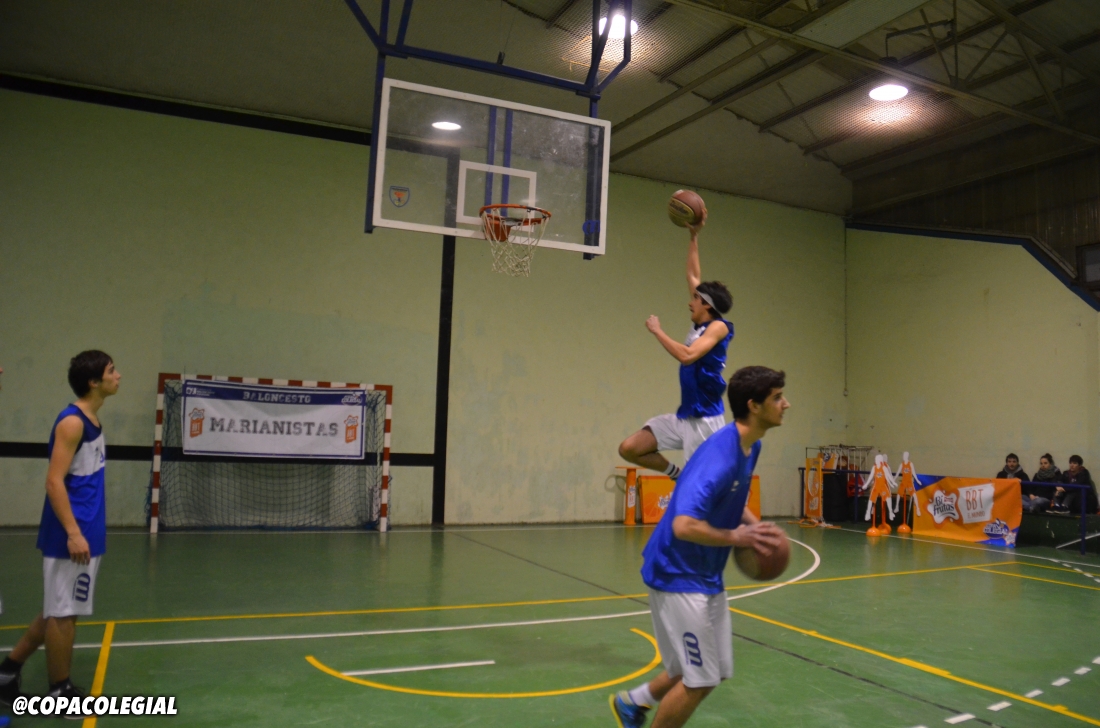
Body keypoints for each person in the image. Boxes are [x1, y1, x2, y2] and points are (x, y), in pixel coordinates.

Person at [610, 366, 788, 728]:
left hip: (705, 574)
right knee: (700, 678)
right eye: (777, 397)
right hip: (676, 574)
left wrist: (755, 526)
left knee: (710, 668)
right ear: (754, 406)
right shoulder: (719, 457)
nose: (786, 404)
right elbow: (683, 525)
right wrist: (737, 537)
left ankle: (633, 702)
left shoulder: (750, 446)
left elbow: (732, 497)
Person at [0, 351, 120, 709]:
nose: (118, 376)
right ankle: (59, 691)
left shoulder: (92, 419)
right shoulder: (72, 422)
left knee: (58, 607)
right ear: (93, 382)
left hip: (85, 530)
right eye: (111, 371)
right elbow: (54, 482)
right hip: (72, 534)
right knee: (64, 613)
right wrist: (73, 533)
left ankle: (7, 673)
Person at [619, 207, 735, 480]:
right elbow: (693, 275)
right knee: (630, 448)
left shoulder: (719, 327)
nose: (690, 302)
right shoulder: (701, 321)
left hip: (704, 420)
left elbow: (688, 356)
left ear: (707, 305)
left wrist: (658, 331)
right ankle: (676, 475)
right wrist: (693, 237)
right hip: (685, 417)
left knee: (699, 486)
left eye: (695, 299)